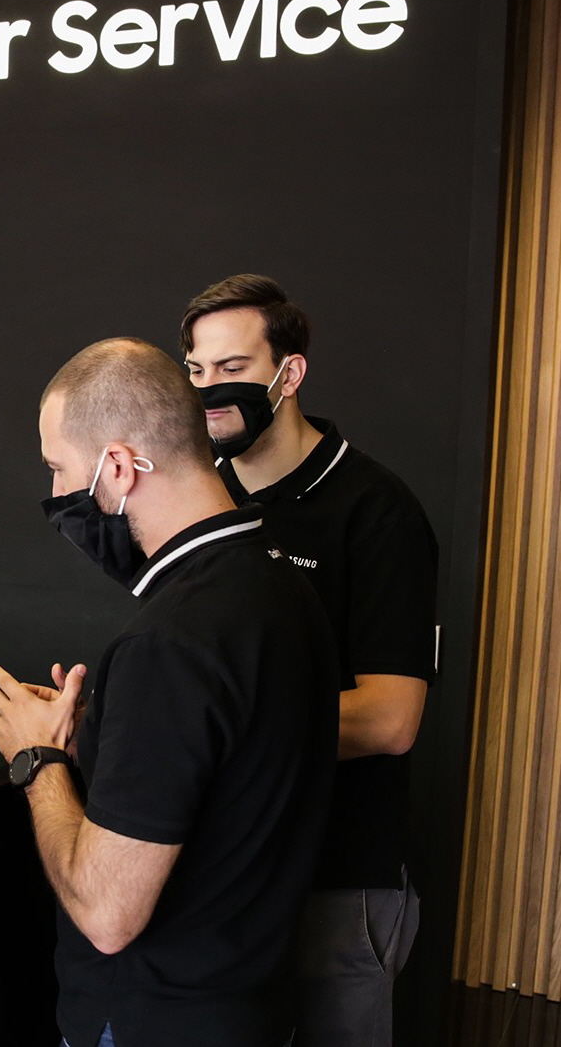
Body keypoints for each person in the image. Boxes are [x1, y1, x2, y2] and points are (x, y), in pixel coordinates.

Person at [0, 337, 338, 1047]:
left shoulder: (168, 643)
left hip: (151, 1020)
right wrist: (107, 734)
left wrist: (36, 759)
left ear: (117, 467)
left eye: (58, 468)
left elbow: (107, 914)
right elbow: (226, 762)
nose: (56, 492)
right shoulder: (283, 588)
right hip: (255, 1010)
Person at [180, 273, 438, 1046]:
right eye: (195, 370)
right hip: (222, 871)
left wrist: (218, 736)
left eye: (232, 369)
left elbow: (390, 720)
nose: (209, 390)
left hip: (338, 880)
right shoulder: (198, 500)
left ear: (287, 374)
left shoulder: (376, 511)